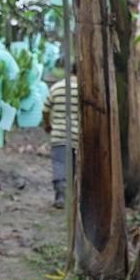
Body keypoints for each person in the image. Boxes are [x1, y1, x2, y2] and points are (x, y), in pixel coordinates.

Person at [41, 71, 79, 208]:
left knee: (60, 164)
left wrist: (47, 125)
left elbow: (45, 109)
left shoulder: (57, 88)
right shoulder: (84, 90)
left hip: (59, 135)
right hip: (78, 137)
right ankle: (75, 197)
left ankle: (61, 196)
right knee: (76, 167)